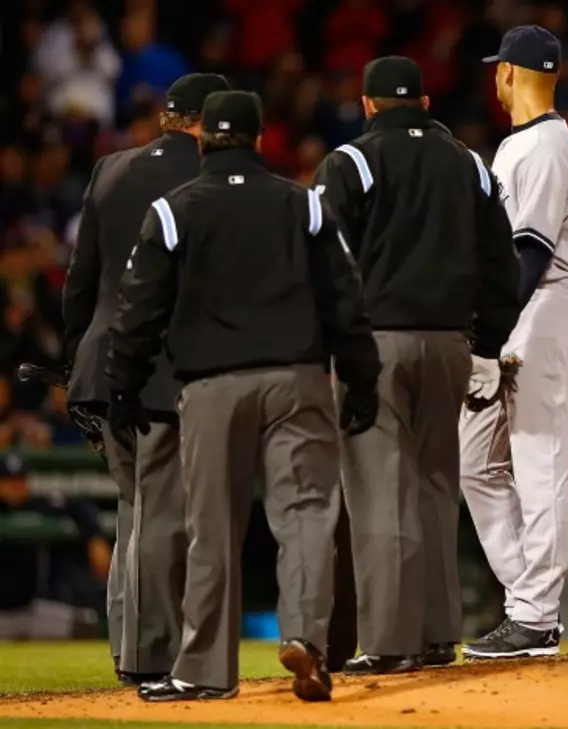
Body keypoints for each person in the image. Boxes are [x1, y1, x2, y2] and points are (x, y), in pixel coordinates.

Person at [106, 91, 380, 701]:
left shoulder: (173, 211)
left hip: (211, 388)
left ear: (202, 139)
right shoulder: (303, 203)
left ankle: (203, 673)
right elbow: (345, 298)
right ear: (259, 139)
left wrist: (123, 388)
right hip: (298, 379)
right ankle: (307, 639)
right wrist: (361, 378)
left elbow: (137, 313)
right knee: (307, 514)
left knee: (212, 528)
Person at [312, 55, 520, 675]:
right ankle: (434, 636)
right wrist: (486, 346)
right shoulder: (469, 165)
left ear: (368, 104)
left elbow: (320, 263)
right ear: (425, 104)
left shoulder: (350, 161)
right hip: (451, 346)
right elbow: (502, 268)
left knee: (379, 492)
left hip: (374, 346)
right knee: (434, 486)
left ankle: (389, 642)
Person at [61, 72, 230, 683]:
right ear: (213, 121)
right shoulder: (210, 180)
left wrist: (72, 363)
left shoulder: (111, 170)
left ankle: (125, 649)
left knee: (136, 508)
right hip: (168, 371)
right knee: (162, 515)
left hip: (100, 367)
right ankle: (145, 655)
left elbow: (80, 283)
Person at [460, 25, 568, 659]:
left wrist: (489, 341)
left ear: (508, 74)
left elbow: (530, 253)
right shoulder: (523, 145)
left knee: (540, 468)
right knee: (475, 463)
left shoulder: (540, 147)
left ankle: (535, 615)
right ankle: (530, 601)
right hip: (515, 313)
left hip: (537, 311)